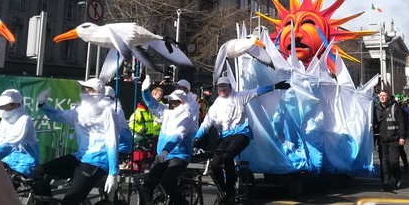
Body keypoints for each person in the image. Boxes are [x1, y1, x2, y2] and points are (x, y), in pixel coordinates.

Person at [193, 76, 290, 204]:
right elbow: (206, 124)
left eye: (225, 86)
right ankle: (224, 191)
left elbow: (257, 92)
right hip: (225, 136)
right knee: (214, 164)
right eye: (220, 87)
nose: (222, 89)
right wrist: (196, 138)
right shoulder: (215, 105)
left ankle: (230, 191)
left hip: (241, 134)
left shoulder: (239, 97)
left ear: (230, 87)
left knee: (227, 156)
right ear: (217, 89)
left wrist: (275, 86)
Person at [32, 78, 120, 204]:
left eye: (89, 89)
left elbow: (112, 142)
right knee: (39, 172)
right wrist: (42, 104)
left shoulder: (108, 112)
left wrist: (113, 173)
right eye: (83, 88)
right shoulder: (79, 111)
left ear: (99, 92)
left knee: (69, 201)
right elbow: (58, 115)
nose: (84, 91)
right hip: (79, 158)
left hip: (97, 161)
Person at [141, 76, 198, 205]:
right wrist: (145, 91)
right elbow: (153, 105)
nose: (172, 103)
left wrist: (166, 150)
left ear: (182, 102)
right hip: (163, 154)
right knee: (149, 180)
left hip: (180, 155)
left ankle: (183, 203)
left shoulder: (187, 114)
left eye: (175, 102)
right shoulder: (168, 111)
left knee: (167, 181)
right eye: (171, 101)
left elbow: (178, 134)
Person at [0, 89, 40, 178]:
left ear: (15, 105)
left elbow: (12, 143)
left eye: (3, 106)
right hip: (7, 160)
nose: (0, 109)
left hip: (24, 164)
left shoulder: (24, 120)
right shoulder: (4, 121)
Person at [373, 87, 406, 192]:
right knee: (384, 163)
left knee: (393, 162)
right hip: (382, 140)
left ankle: (397, 176)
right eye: (381, 96)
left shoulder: (394, 107)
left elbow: (401, 123)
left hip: (394, 139)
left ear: (388, 97)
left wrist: (402, 137)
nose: (382, 98)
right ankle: (386, 183)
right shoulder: (376, 108)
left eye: (384, 96)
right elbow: (373, 124)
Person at [105, 86, 133, 157]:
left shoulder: (116, 110)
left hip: (121, 147)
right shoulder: (110, 109)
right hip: (115, 146)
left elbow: (111, 128)